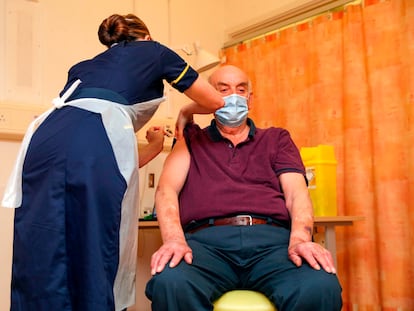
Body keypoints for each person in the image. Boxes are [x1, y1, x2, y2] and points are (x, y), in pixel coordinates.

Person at [1, 13, 224, 311]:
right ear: (145, 36)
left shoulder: (83, 68)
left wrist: (155, 147)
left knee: (45, 238)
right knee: (96, 240)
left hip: (43, 142)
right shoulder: (155, 50)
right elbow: (214, 101)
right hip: (93, 142)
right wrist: (185, 112)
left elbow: (105, 168)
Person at [145, 65, 343, 310]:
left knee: (319, 285)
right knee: (171, 282)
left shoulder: (277, 139)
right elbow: (166, 191)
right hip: (207, 244)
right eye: (224, 89)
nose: (234, 96)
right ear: (210, 97)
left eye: (241, 89)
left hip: (272, 243)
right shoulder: (192, 140)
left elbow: (296, 193)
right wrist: (174, 240)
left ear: (250, 98)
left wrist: (300, 239)